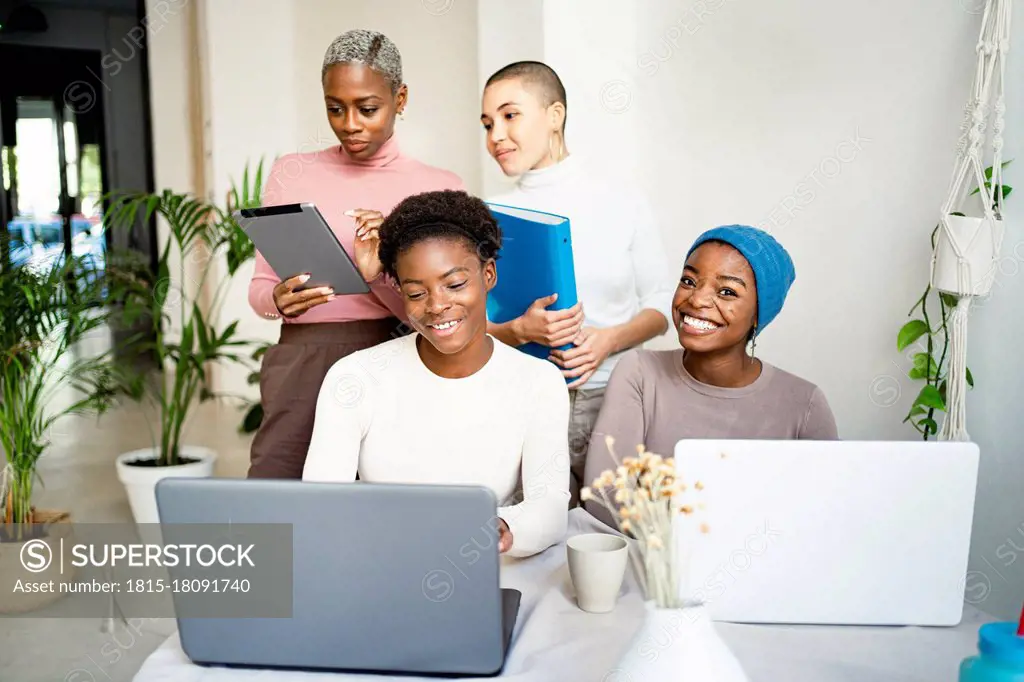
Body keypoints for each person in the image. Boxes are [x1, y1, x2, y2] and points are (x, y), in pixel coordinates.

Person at [302, 190, 571, 558]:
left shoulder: (539, 382)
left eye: (455, 284)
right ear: (398, 290)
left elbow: (550, 508)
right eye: (416, 293)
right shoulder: (355, 378)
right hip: (380, 565)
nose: (437, 305)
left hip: (481, 569)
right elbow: (320, 507)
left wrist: (505, 529)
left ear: (488, 273)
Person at [246, 29, 465, 479]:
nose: (349, 123)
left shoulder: (440, 188)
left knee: (383, 501)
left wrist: (380, 270)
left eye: (368, 108)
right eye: (334, 107)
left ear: (400, 98)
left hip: (398, 351)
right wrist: (276, 302)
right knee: (277, 487)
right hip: (302, 356)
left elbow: (442, 312)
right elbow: (261, 286)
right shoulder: (292, 171)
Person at [479, 61, 675, 506]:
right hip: (522, 400)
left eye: (510, 116)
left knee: (614, 532)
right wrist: (516, 331)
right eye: (488, 123)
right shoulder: (487, 213)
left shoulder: (622, 200)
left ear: (555, 115)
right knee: (529, 536)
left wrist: (610, 339)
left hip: (613, 398)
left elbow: (662, 303)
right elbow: (469, 323)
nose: (495, 136)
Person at [582, 225, 839, 528]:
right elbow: (603, 498)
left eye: (727, 291)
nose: (697, 300)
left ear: (759, 313)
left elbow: (824, 512)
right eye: (689, 281)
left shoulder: (804, 403)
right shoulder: (638, 372)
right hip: (651, 566)